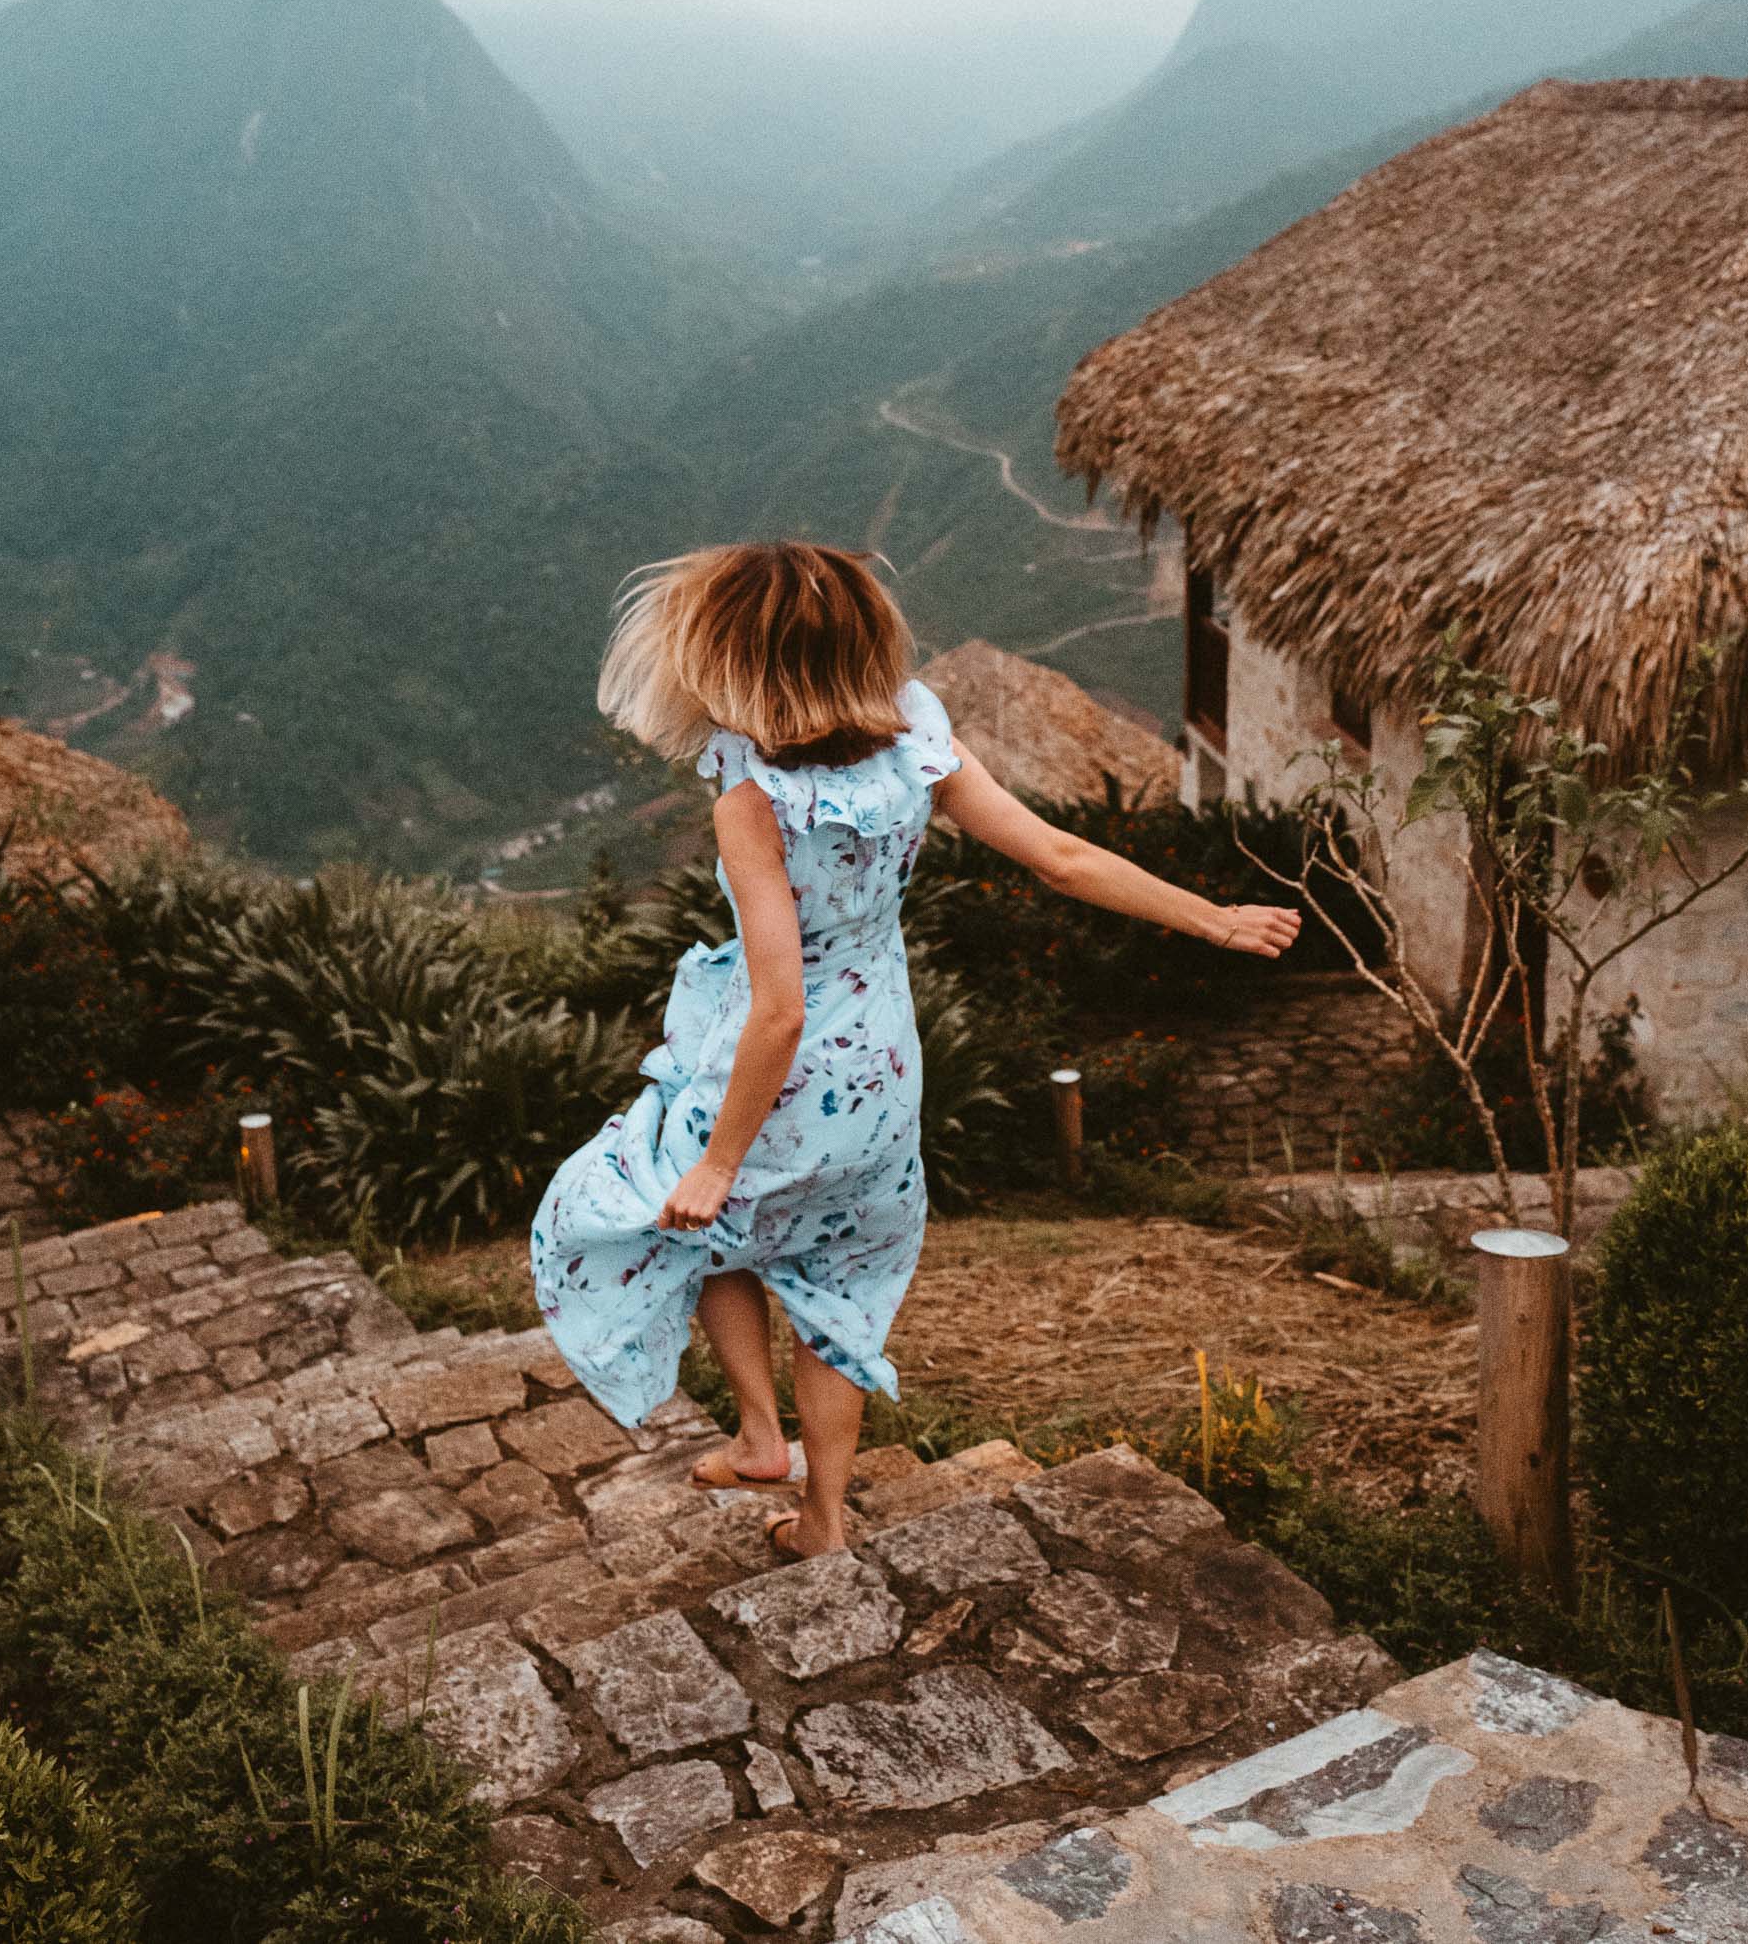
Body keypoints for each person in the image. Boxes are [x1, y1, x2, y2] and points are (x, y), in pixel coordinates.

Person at [529, 541, 1300, 1562]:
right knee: (837, 1279)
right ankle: (824, 1520)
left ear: (731, 665)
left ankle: (762, 1435)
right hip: (886, 1069)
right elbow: (1060, 859)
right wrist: (1208, 917)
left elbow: (778, 1012)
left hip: (778, 1076)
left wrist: (719, 1158)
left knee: (680, 1215)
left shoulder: (749, 800)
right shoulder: (917, 741)